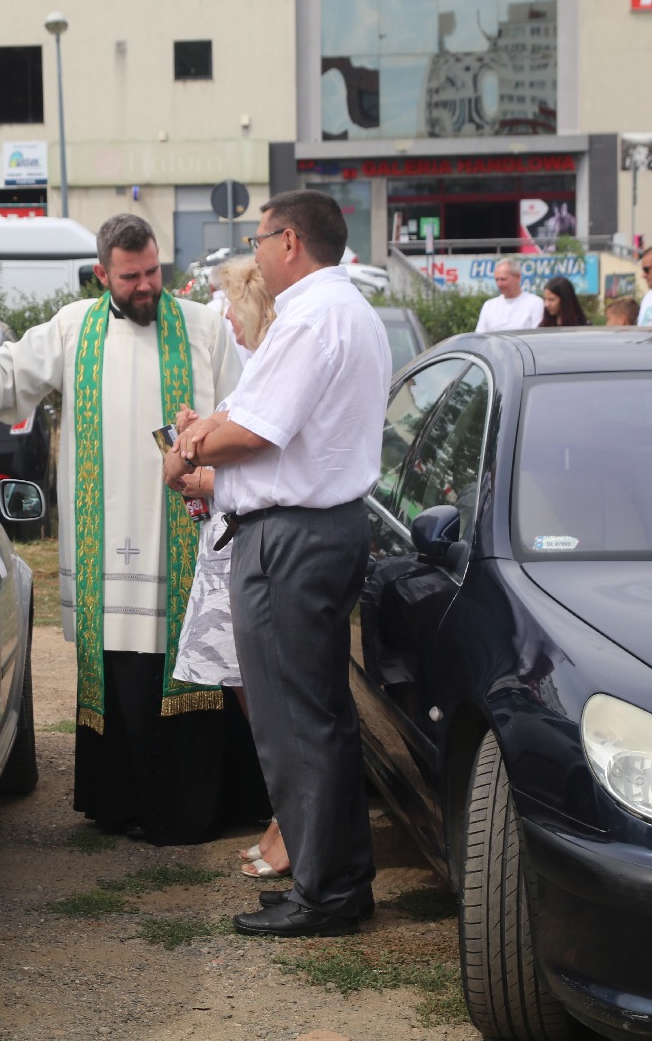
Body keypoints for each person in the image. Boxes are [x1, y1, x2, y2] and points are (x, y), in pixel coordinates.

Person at [0, 214, 246, 847]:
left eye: (153, 272)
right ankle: (120, 802)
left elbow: (247, 409)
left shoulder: (207, 330)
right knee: (124, 667)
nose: (147, 286)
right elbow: (5, 373)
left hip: (186, 529)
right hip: (108, 544)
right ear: (103, 275)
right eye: (131, 277)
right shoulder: (75, 329)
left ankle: (191, 809)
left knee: (194, 663)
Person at [167, 190, 389, 938]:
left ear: (289, 241)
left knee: (296, 721)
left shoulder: (310, 313)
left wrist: (192, 444)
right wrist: (213, 432)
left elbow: (257, 431)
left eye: (259, 239)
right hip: (314, 528)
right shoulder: (344, 308)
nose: (255, 254)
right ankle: (339, 879)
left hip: (291, 535)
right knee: (318, 717)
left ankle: (324, 891)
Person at [167, 258, 284, 880]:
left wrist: (190, 465)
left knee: (264, 689)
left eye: (235, 312)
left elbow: (261, 470)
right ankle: (282, 810)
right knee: (247, 687)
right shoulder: (261, 365)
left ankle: (289, 818)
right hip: (228, 537)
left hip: (248, 539)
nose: (230, 326)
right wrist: (197, 431)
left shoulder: (277, 366)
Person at [473, 259, 545, 332]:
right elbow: (480, 337)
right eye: (497, 280)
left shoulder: (535, 303)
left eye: (503, 279)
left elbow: (537, 336)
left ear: (518, 277)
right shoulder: (489, 305)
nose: (499, 284)